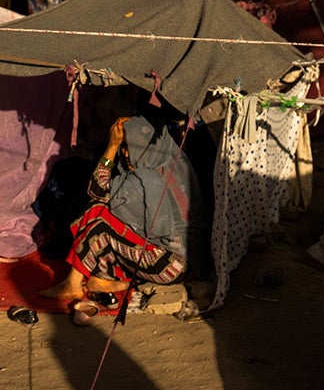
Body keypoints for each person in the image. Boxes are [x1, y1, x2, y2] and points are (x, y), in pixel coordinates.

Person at [41, 115, 208, 303]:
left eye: (128, 147)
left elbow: (96, 190)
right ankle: (101, 280)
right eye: (124, 148)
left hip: (170, 267)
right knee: (110, 219)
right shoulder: (175, 162)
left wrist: (112, 147)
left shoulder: (144, 179)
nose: (126, 155)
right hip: (195, 260)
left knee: (97, 214)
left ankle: (72, 284)